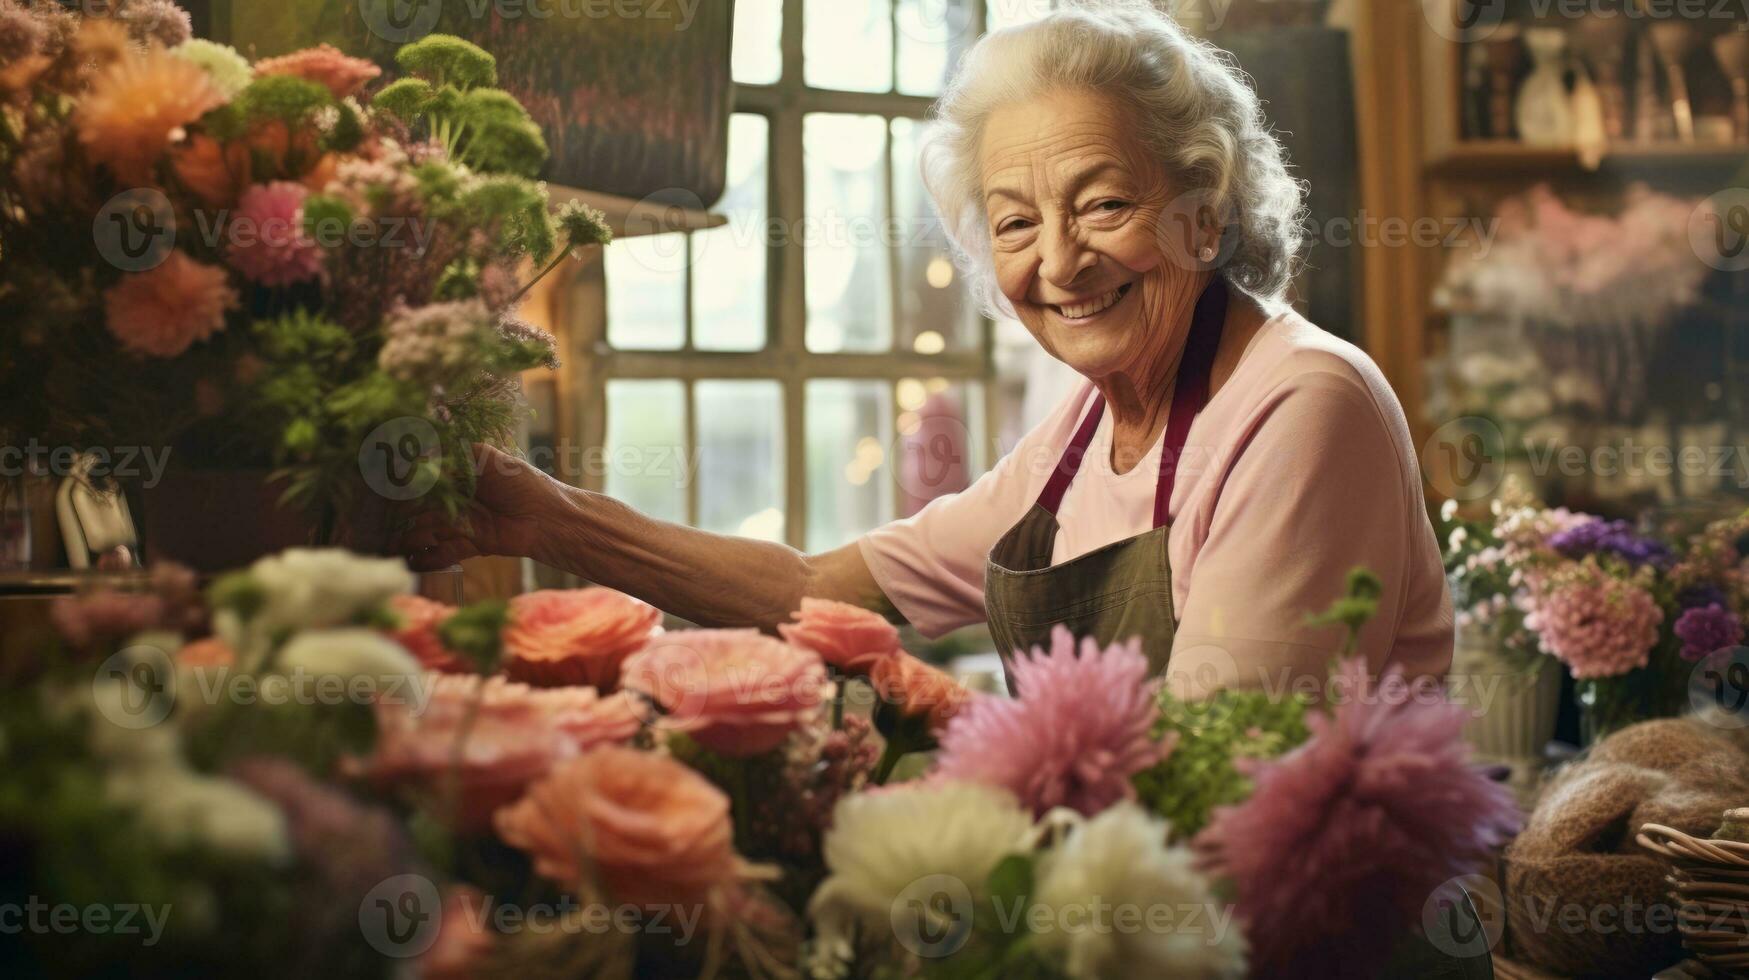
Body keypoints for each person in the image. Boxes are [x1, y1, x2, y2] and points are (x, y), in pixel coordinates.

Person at [396, 0, 1452, 695]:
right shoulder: (1087, 433)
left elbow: (1223, 771)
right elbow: (815, 588)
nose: (1062, 262)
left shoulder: (1304, 406)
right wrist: (547, 512)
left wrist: (931, 721)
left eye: (1106, 202)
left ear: (1204, 215)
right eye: (1014, 222)